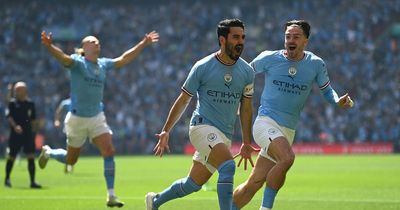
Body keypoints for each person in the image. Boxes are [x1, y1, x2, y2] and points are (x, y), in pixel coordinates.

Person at [232, 20, 354, 210]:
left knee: (253, 184)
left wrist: (337, 101)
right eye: (288, 36)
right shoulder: (269, 58)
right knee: (287, 158)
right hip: (265, 123)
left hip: (287, 131)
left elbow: (327, 90)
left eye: (296, 37)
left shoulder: (315, 64)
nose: (291, 40)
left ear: (306, 40)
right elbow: (243, 73)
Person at [145, 18, 258, 210]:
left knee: (193, 184)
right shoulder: (203, 66)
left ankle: (155, 201)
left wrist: (247, 142)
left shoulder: (247, 71)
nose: (241, 42)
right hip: (201, 127)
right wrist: (166, 130)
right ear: (222, 40)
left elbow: (246, 109)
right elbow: (183, 100)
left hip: (224, 135)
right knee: (228, 167)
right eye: (236, 37)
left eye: (243, 37)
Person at [38, 30, 159, 207]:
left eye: (98, 42)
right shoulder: (78, 63)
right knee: (71, 160)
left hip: (96, 117)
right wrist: (50, 47)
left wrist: (143, 43)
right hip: (77, 119)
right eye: (93, 41)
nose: (97, 43)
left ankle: (111, 195)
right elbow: (63, 58)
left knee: (109, 151)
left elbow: (123, 59)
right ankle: (48, 152)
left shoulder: (103, 64)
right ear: (84, 47)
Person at [4, 81, 41, 189]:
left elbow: (34, 120)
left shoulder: (31, 104)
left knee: (30, 156)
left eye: (19, 89)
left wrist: (35, 131)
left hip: (28, 134)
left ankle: (33, 181)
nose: (17, 91)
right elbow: (9, 117)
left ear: (25, 91)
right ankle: (7, 179)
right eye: (16, 90)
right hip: (15, 134)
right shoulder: (12, 103)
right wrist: (15, 127)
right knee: (12, 156)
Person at [53, 97, 74, 173]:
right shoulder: (66, 103)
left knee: (73, 145)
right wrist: (57, 120)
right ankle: (68, 163)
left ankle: (69, 163)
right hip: (68, 126)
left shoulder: (80, 102)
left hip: (78, 127)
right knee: (69, 144)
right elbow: (58, 111)